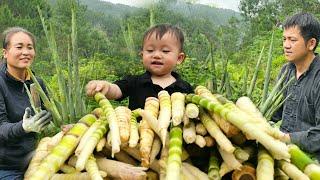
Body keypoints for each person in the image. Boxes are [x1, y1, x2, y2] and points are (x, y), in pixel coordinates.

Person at [86, 24, 193, 110]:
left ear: (179, 58)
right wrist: (105, 87)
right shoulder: (134, 81)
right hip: (138, 135)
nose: (156, 55)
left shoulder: (185, 88)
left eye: (165, 51)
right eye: (150, 50)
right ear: (142, 56)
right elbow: (116, 91)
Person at [0, 27, 52, 179]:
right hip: (6, 166)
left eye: (30, 47)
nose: (26, 52)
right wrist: (24, 127)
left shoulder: (37, 84)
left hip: (34, 159)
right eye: (19, 47)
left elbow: (49, 116)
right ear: (5, 52)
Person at [272, 12, 320, 161]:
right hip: (282, 150)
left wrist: (286, 138)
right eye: (284, 39)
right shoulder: (286, 71)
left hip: (311, 159)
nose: (286, 45)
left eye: (292, 40)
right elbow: (274, 113)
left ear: (311, 43)